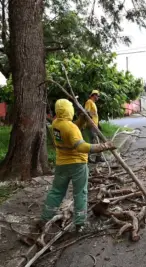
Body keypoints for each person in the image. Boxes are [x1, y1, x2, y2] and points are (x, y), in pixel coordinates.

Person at [39, 99, 116, 232]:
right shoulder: (71, 128)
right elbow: (81, 146)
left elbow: (70, 130)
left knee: (56, 192)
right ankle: (80, 224)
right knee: (80, 193)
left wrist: (81, 120)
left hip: (62, 164)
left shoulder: (56, 124)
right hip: (77, 165)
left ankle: (44, 219)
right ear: (69, 110)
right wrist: (103, 146)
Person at [83, 90, 103, 163]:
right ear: (93, 95)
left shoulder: (93, 103)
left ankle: (98, 157)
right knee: (94, 141)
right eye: (97, 95)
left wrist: (98, 124)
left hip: (95, 125)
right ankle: (88, 158)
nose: (98, 97)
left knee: (98, 141)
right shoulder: (89, 102)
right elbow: (86, 113)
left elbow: (94, 115)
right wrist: (91, 123)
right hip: (91, 125)